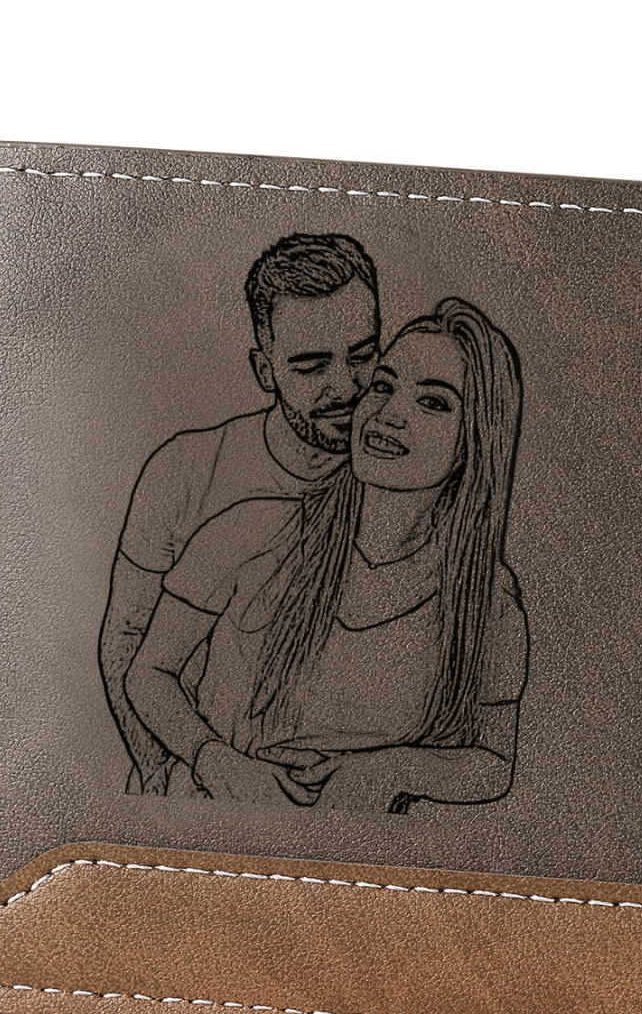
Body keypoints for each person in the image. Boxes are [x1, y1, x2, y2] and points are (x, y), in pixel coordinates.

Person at [127, 297, 528, 812]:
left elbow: (494, 762)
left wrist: (392, 769)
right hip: (212, 830)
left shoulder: (486, 598)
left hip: (354, 853)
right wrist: (216, 761)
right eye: (383, 386)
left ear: (474, 442)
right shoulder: (253, 531)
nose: (389, 414)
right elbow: (149, 673)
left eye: (432, 402)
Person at [98, 233, 381, 793]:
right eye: (310, 366)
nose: (345, 386)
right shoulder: (186, 471)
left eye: (363, 355)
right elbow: (127, 638)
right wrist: (168, 775)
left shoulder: (410, 474)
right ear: (264, 370)